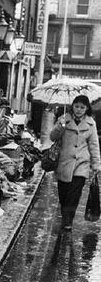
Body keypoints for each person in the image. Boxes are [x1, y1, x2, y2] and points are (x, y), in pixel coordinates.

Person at [50, 95, 101, 230]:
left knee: (75, 194)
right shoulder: (64, 119)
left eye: (82, 107)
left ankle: (68, 221)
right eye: (77, 106)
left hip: (81, 165)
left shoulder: (91, 123)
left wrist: (96, 165)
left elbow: (94, 145)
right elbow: (52, 137)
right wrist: (60, 127)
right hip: (64, 163)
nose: (79, 110)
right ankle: (65, 216)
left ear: (87, 108)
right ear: (72, 106)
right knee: (64, 195)